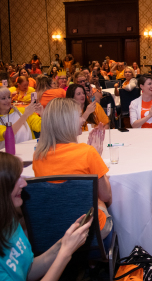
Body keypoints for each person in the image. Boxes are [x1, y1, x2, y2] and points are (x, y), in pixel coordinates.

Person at [0, 152, 93, 281]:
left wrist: (64, 243)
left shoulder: (9, 222)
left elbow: (28, 271)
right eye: (16, 179)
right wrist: (65, 253)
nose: (24, 183)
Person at [32, 98, 113, 239]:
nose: (83, 121)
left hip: (53, 232)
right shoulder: (88, 152)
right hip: (89, 233)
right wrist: (97, 159)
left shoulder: (38, 156)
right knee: (101, 203)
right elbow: (106, 196)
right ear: (67, 122)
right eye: (79, 117)